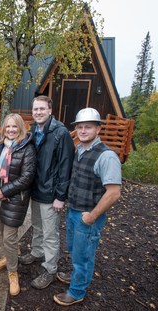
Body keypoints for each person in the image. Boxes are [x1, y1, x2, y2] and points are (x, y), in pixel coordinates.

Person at [54, 108, 121, 306]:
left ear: (98, 129)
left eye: (88, 127)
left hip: (88, 215)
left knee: (83, 254)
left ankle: (77, 291)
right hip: (74, 211)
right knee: (75, 249)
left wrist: (92, 216)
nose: (83, 131)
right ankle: (77, 276)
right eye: (80, 127)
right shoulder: (80, 150)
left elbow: (114, 192)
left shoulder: (106, 156)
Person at [19, 95, 74, 289]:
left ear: (50, 110)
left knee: (50, 233)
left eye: (42, 109)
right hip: (36, 189)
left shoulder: (60, 133)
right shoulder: (34, 130)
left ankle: (50, 269)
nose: (38, 112)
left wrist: (61, 196)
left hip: (51, 194)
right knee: (37, 225)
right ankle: (36, 252)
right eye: (35, 109)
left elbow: (66, 166)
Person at [0, 113, 37, 296]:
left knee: (9, 237)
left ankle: (13, 272)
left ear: (20, 128)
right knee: (2, 233)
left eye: (14, 127)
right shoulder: (0, 146)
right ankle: (8, 258)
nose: (10, 130)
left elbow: (27, 178)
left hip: (15, 200)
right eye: (7, 127)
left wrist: (4, 191)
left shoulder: (27, 149)